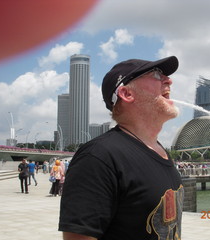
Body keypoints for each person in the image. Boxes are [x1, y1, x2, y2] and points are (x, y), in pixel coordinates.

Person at [59, 56, 184, 240]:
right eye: (157, 74)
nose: (169, 80)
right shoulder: (98, 157)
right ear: (126, 94)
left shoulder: (160, 151)